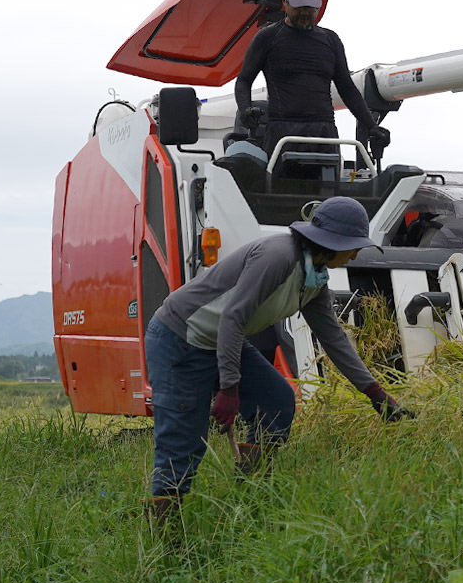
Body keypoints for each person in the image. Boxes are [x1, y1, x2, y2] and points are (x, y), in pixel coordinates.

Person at [143, 196, 410, 524]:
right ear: (334, 241)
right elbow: (232, 318)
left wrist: (375, 393)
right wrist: (230, 387)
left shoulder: (314, 279)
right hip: (179, 341)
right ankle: (164, 543)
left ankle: (248, 501)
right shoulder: (278, 256)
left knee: (276, 401)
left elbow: (334, 339)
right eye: (354, 245)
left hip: (221, 342)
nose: (356, 253)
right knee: (183, 442)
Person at [235, 0, 387, 159]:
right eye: (299, 7)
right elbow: (243, 81)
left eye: (311, 7)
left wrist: (371, 126)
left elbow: (347, 88)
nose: (305, 12)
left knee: (329, 187)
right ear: (285, 2)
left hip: (324, 133)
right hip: (283, 131)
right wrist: (245, 110)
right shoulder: (268, 37)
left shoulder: (330, 40)